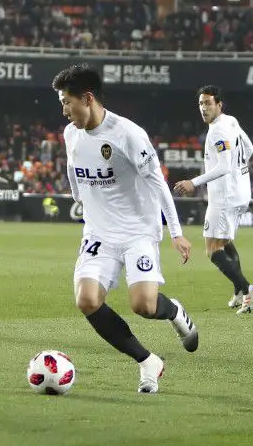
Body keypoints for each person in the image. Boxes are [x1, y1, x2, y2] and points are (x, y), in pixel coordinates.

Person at [55, 64, 198, 394]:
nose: (64, 111)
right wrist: (77, 196)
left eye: (66, 102)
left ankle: (174, 310)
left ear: (87, 98)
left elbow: (158, 183)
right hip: (98, 234)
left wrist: (175, 232)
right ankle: (148, 361)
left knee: (144, 306)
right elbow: (72, 165)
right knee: (87, 300)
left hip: (137, 233)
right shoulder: (71, 134)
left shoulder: (128, 135)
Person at [174, 85, 253, 314]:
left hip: (224, 197)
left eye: (208, 103)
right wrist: (238, 169)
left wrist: (193, 182)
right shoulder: (231, 121)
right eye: (201, 104)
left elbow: (223, 166)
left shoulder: (216, 131)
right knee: (224, 242)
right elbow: (250, 149)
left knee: (212, 250)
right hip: (240, 192)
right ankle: (238, 291)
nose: (203, 108)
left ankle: (248, 289)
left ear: (219, 105)